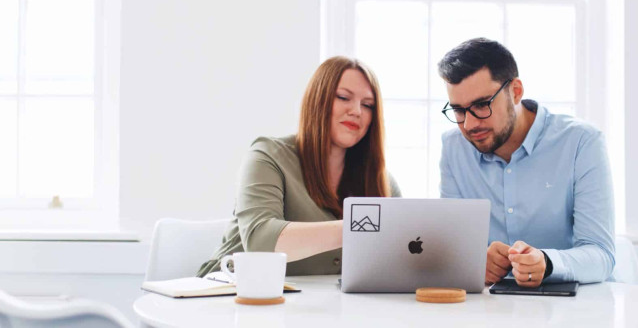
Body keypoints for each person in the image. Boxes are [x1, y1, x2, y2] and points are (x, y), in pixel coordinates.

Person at [198, 57, 400, 277]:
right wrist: (361, 227)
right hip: (230, 294)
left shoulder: (381, 181)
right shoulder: (267, 156)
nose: (357, 111)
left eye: (368, 105)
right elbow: (261, 242)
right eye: (343, 97)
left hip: (315, 304)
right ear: (317, 100)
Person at [437, 38, 615, 287]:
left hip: (573, 310)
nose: (469, 124)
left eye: (481, 105)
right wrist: (476, 262)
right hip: (488, 310)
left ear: (516, 91)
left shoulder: (581, 142)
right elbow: (454, 248)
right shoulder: (454, 148)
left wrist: (547, 262)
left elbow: (601, 255)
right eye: (458, 110)